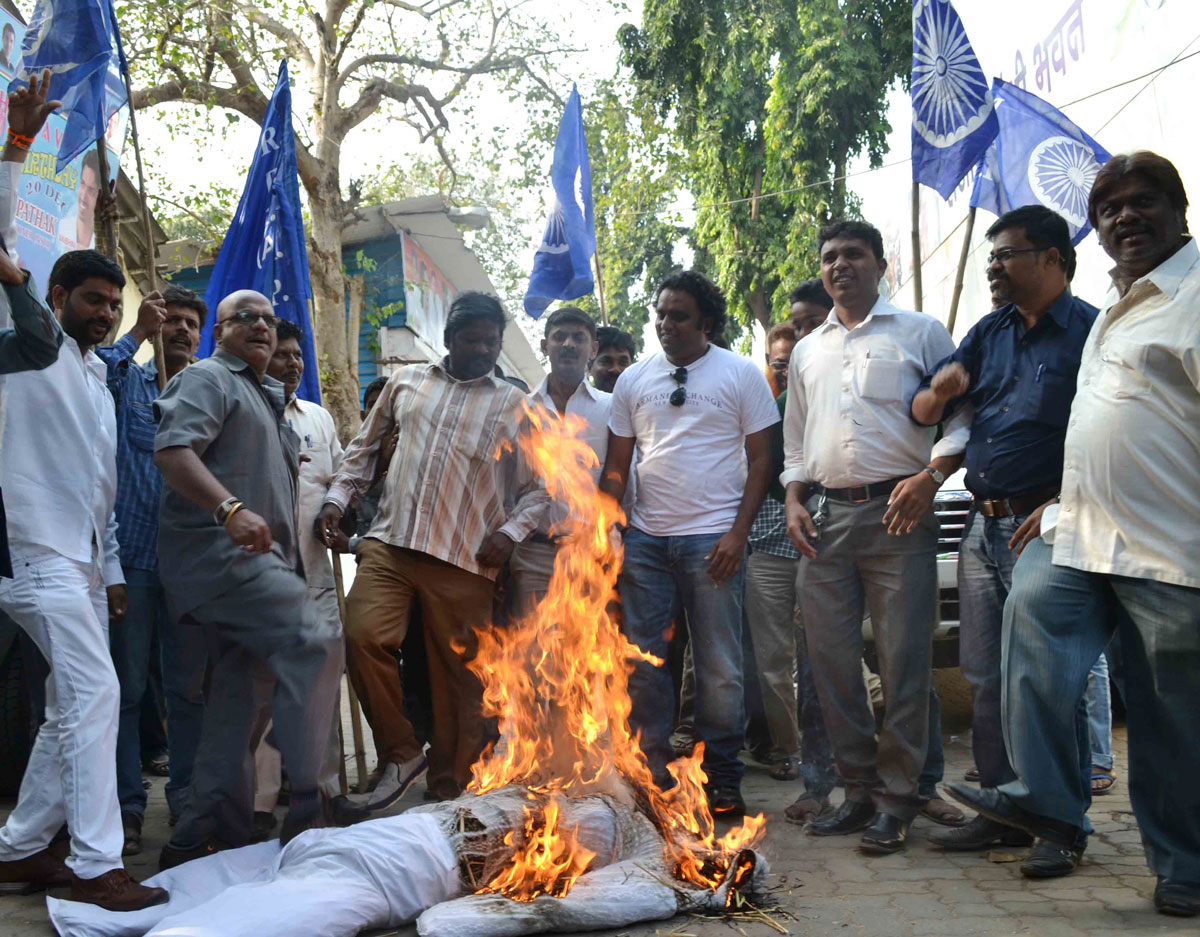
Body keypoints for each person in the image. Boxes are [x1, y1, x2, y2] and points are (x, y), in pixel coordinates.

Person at [946, 152, 1200, 917]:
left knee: (1168, 714)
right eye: (1109, 207)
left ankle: (1184, 859)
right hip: (1082, 530)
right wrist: (1060, 508)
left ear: (1179, 210)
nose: (1124, 216)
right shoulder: (1117, 309)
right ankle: (1048, 804)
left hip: (1168, 543)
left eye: (1141, 201)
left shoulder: (1189, 298)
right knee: (1032, 616)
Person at [910, 205, 1098, 874]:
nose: (994, 264)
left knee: (1046, 680)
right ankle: (1002, 809)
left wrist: (1057, 504)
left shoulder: (1092, 333)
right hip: (982, 525)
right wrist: (940, 389)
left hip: (1044, 526)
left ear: (1052, 258)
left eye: (1006, 253)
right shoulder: (988, 332)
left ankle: (1061, 820)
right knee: (985, 675)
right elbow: (932, 411)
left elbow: (1101, 436)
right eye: (990, 255)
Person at [316, 292, 549, 809]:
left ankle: (451, 794)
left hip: (468, 560)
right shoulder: (406, 382)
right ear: (449, 339)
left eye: (493, 341)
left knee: (461, 686)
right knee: (361, 636)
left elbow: (542, 488)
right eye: (474, 340)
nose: (485, 350)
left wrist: (509, 534)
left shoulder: (515, 405)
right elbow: (363, 452)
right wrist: (338, 497)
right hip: (391, 543)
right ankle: (402, 752)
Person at [782, 219, 966, 855]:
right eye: (830, 257)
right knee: (831, 664)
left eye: (853, 255)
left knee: (903, 662)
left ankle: (898, 800)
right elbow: (795, 443)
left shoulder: (920, 332)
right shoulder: (808, 350)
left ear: (880, 265)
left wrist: (931, 475)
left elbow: (961, 421)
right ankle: (856, 791)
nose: (840, 267)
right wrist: (793, 497)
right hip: (826, 520)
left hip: (900, 513)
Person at [0, 250, 167, 911]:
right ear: (58, 295)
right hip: (33, 552)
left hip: (86, 562)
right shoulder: (31, 351)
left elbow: (101, 487)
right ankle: (97, 865)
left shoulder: (98, 376)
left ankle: (18, 847)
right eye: (91, 300)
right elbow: (30, 316)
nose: (102, 313)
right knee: (98, 691)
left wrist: (113, 569)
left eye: (111, 304)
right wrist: (14, 279)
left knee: (70, 707)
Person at [154, 290, 342, 868]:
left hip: (266, 568)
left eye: (267, 318)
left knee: (238, 706)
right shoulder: (210, 378)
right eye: (246, 317)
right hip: (223, 562)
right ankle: (309, 796)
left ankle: (208, 831)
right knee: (315, 639)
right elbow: (172, 450)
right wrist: (230, 510)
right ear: (220, 331)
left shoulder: (265, 396)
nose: (261, 326)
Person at [599, 270, 779, 819]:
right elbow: (617, 465)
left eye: (679, 315)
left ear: (706, 321)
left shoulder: (741, 374)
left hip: (714, 541)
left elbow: (763, 461)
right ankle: (650, 773)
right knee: (646, 663)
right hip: (647, 542)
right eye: (660, 313)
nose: (665, 323)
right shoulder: (634, 379)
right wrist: (609, 521)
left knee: (720, 667)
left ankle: (722, 777)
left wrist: (737, 533)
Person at [98, 285, 209, 856]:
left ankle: (187, 802)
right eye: (172, 321)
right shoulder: (129, 384)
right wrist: (138, 331)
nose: (182, 330)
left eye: (191, 323)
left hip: (191, 568)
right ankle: (126, 807)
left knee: (189, 691)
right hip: (133, 562)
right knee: (126, 690)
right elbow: (95, 369)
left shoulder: (211, 393)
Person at [253, 320, 346, 836]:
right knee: (264, 693)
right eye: (281, 354)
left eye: (297, 355)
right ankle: (261, 806)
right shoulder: (244, 409)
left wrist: (338, 511)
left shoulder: (318, 418)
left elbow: (337, 484)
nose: (291, 363)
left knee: (323, 687)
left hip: (315, 575)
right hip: (263, 581)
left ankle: (324, 794)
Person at [510, 306, 614, 612]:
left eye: (578, 337)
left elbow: (625, 480)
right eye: (559, 337)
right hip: (533, 555)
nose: (568, 344)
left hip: (593, 554)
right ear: (545, 346)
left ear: (593, 349)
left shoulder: (610, 408)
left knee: (592, 655)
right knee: (531, 657)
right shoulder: (521, 408)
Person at [57, 150, 100, 252]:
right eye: (82, 183)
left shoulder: (101, 244)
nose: (83, 196)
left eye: (91, 190)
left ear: (100, 195)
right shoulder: (63, 227)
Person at [588, 325, 636, 392]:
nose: (616, 369)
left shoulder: (643, 400)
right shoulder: (574, 401)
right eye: (606, 362)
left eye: (623, 363)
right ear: (590, 366)